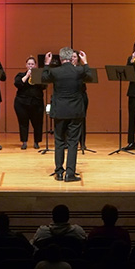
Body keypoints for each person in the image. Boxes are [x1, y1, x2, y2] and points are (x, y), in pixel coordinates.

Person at [42, 47, 92, 182]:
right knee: (72, 142)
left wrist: (47, 63)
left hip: (59, 111)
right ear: (71, 58)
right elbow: (90, 76)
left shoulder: (55, 71)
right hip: (75, 111)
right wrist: (85, 62)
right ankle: (70, 173)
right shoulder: (79, 70)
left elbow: (43, 78)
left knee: (59, 142)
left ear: (60, 58)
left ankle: (59, 172)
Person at [14, 56, 45, 150]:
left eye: (32, 64)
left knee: (38, 123)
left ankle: (37, 142)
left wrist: (35, 77)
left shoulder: (39, 75)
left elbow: (44, 86)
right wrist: (27, 76)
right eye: (29, 64)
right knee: (23, 123)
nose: (31, 66)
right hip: (22, 103)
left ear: (35, 65)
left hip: (37, 103)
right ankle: (24, 142)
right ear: (26, 65)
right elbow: (18, 84)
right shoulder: (20, 75)